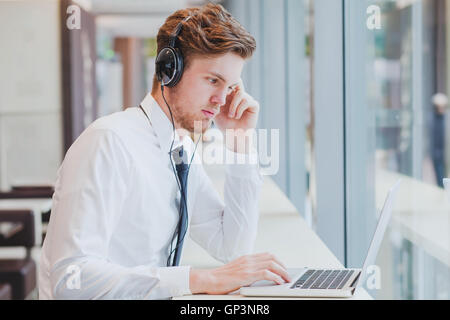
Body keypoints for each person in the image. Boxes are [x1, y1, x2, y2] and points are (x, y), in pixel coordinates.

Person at [39, 3, 290, 300]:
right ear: (169, 70)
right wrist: (197, 279)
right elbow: (72, 281)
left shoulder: (178, 150)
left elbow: (232, 247)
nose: (222, 100)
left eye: (231, 87)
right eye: (213, 80)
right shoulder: (108, 142)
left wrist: (239, 143)